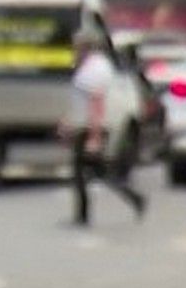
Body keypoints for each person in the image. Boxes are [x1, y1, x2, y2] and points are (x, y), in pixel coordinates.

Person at [59, 24, 146, 226]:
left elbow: (96, 104)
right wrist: (68, 122)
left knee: (82, 173)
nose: (74, 49)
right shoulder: (90, 66)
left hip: (91, 128)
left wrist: (94, 136)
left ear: (86, 46)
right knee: (98, 172)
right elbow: (81, 101)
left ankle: (83, 215)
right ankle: (133, 199)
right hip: (86, 126)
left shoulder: (95, 69)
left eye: (77, 46)